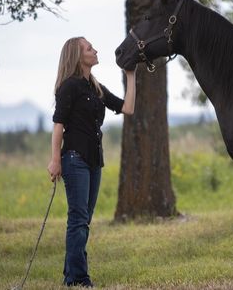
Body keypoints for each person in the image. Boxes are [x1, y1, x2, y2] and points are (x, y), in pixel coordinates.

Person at [47, 37, 136, 287]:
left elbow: (127, 108)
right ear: (78, 56)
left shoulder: (95, 88)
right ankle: (78, 278)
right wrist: (55, 160)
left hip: (94, 161)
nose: (95, 50)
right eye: (89, 48)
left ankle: (71, 275)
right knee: (78, 219)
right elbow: (58, 125)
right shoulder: (69, 86)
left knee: (83, 220)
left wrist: (130, 75)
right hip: (74, 160)